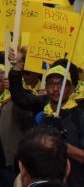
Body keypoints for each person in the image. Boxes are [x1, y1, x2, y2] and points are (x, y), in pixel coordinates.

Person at [9, 50, 84, 187]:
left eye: (61, 84)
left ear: (71, 88)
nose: (56, 89)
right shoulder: (43, 110)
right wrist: (16, 68)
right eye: (51, 84)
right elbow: (19, 97)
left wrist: (63, 147)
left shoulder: (80, 117)